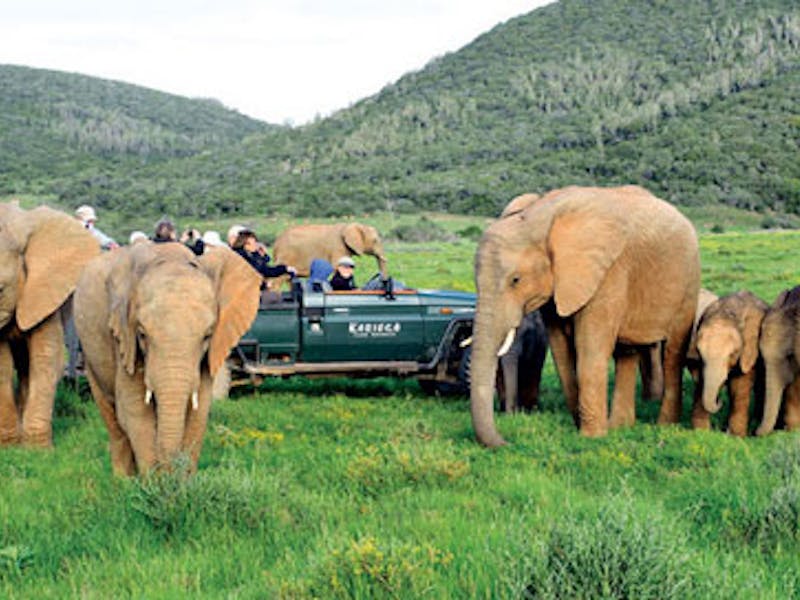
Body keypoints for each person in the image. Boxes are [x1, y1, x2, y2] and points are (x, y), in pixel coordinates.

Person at [232, 229, 297, 282]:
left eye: (256, 242)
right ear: (245, 245)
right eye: (253, 243)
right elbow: (259, 271)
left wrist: (285, 268)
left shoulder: (251, 255)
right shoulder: (240, 257)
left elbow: (266, 270)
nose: (256, 245)